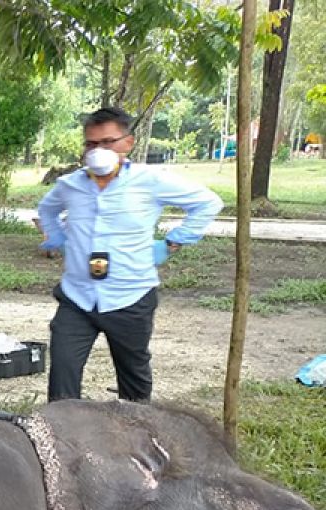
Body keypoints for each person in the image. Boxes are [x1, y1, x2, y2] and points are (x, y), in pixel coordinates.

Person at [37, 106, 223, 402]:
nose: (99, 150)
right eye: (91, 144)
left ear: (128, 142)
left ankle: (138, 434)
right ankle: (60, 436)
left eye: (108, 142)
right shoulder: (70, 185)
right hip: (77, 298)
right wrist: (57, 237)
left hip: (130, 296)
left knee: (133, 378)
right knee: (63, 373)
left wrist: (174, 241)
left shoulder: (150, 181)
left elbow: (207, 202)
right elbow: (46, 209)